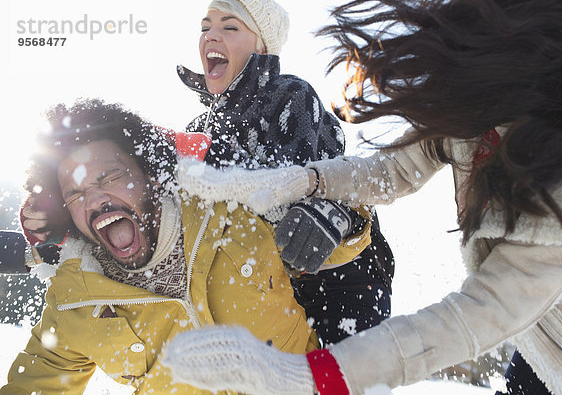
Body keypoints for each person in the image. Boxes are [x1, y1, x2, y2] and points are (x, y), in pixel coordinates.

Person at [160, 0, 562, 394]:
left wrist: (315, 375)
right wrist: (306, 180)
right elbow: (394, 170)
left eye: (231, 25)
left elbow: (476, 315)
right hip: (545, 343)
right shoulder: (478, 110)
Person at [0, 99, 371, 394]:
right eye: (75, 193)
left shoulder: (232, 207)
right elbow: (33, 385)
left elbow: (347, 237)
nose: (94, 198)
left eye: (110, 176)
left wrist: (338, 215)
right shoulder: (74, 300)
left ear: (148, 174)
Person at [176, 0, 395, 344]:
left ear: (262, 46)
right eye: (205, 27)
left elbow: (286, 189)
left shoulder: (289, 95)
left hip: (343, 274)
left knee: (344, 376)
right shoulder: (200, 128)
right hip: (273, 281)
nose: (210, 36)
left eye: (229, 26)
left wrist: (214, 165)